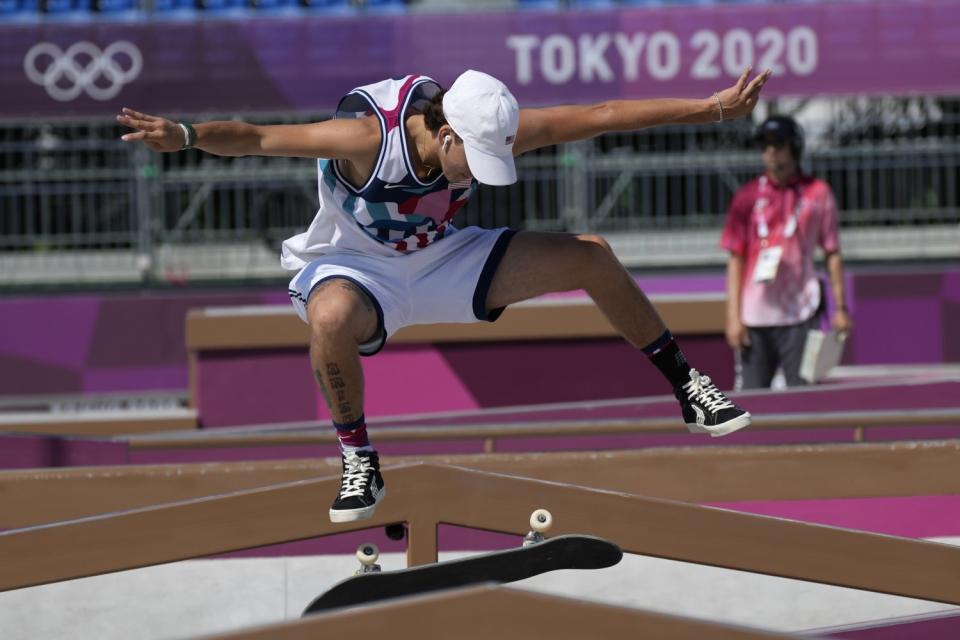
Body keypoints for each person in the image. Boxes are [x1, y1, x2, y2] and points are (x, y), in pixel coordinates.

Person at [119, 67, 770, 523]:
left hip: (442, 258)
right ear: (447, 134)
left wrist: (712, 108)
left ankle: (688, 387)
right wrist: (185, 134)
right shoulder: (365, 139)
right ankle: (358, 459)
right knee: (329, 317)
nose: (479, 175)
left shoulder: (482, 121)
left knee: (591, 256)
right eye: (474, 161)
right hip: (356, 264)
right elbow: (259, 138)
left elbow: (600, 117)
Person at [721, 114, 853, 390]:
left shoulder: (817, 193)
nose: (770, 153)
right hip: (755, 314)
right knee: (751, 400)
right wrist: (733, 317)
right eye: (765, 146)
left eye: (778, 145)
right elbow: (736, 259)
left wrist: (841, 307)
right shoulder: (746, 197)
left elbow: (832, 252)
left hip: (801, 311)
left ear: (794, 147)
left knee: (802, 394)